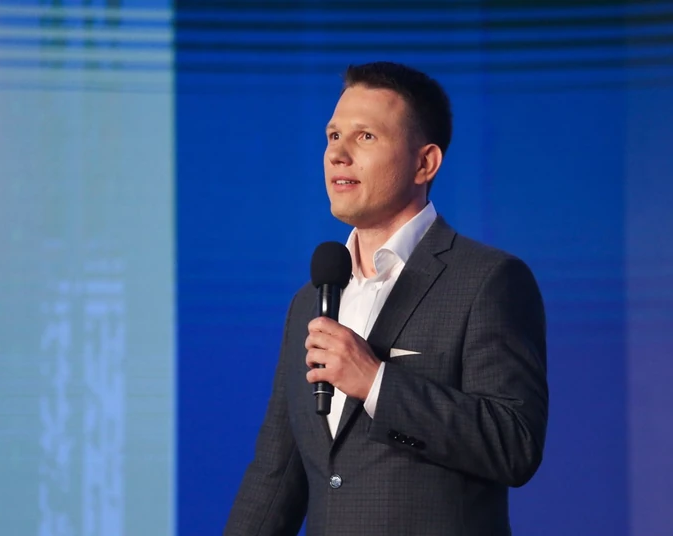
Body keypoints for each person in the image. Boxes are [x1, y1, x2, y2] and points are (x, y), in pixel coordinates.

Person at [224, 61, 548, 536]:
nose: (338, 154)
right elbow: (275, 477)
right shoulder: (309, 302)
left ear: (424, 163)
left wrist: (376, 382)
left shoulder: (488, 280)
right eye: (333, 136)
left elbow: (513, 444)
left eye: (366, 136)